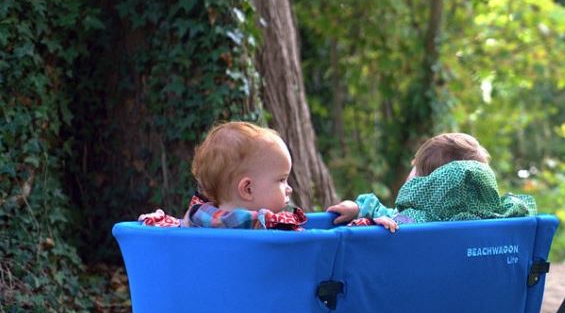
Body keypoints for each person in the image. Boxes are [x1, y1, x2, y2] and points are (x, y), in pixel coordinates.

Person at [327, 132, 535, 230]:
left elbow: (392, 220)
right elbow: (391, 215)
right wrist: (360, 208)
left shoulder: (415, 219)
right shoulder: (498, 222)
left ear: (424, 184)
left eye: (413, 168)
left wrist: (367, 218)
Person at [137, 121, 306, 230]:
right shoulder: (267, 226)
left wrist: (155, 222)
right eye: (282, 180)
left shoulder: (197, 219)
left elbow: (172, 227)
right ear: (248, 189)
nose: (289, 189)